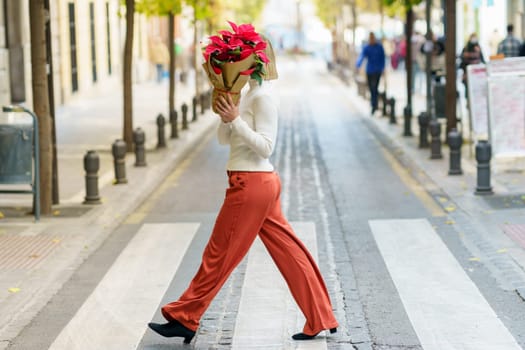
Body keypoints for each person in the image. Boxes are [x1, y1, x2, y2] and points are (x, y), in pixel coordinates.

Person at [148, 34, 339, 344]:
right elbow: (227, 141)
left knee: (218, 254)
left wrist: (236, 120)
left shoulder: (263, 96)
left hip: (251, 184)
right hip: (254, 183)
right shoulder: (247, 95)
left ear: (254, 64)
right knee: (289, 252)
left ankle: (186, 317)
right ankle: (321, 317)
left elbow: (267, 146)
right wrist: (228, 114)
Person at [356, 32, 385, 115]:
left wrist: (382, 68)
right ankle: (374, 104)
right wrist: (358, 64)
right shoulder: (367, 47)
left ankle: (374, 104)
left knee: (375, 87)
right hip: (370, 70)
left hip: (377, 70)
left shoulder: (379, 47)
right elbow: (362, 56)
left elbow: (382, 58)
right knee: (371, 87)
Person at [460, 33, 485, 100]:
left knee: (475, 89)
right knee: (468, 89)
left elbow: (482, 59)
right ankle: (468, 102)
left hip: (476, 74)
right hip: (467, 73)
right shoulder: (466, 48)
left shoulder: (478, 48)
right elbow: (462, 59)